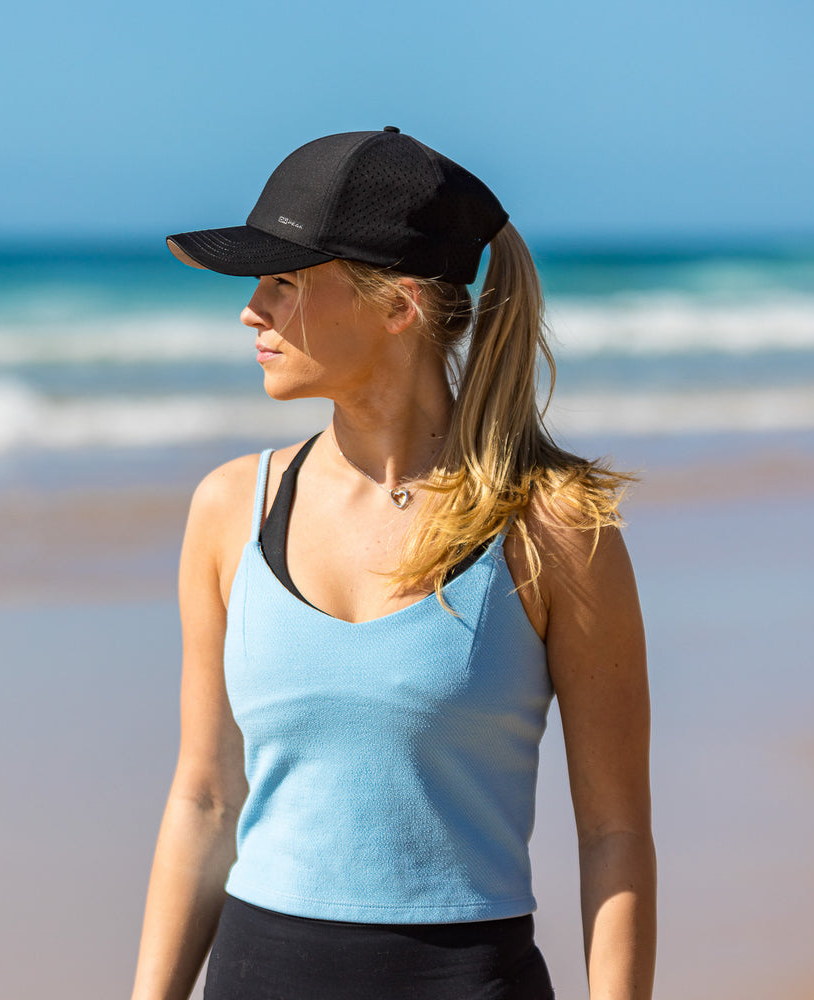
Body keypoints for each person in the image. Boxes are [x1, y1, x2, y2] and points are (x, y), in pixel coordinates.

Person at [130, 128, 654, 1000]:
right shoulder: (231, 509)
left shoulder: (553, 527)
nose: (250, 311)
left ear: (398, 306)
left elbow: (614, 834)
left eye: (285, 281)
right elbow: (205, 801)